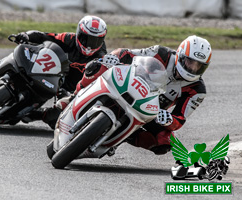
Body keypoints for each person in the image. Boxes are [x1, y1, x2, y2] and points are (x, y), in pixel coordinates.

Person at [58, 35, 212, 155]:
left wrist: (169, 119)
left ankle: (126, 136)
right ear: (180, 55)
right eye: (190, 62)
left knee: (165, 143)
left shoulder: (197, 90)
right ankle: (75, 96)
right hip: (129, 87)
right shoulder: (162, 53)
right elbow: (127, 53)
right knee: (101, 66)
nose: (192, 69)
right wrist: (113, 58)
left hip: (149, 112)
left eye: (198, 66)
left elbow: (180, 119)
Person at [10, 15, 111, 128]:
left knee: (57, 120)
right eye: (85, 38)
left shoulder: (101, 58)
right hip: (54, 73)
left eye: (95, 41)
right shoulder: (69, 39)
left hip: (73, 89)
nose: (89, 45)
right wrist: (26, 35)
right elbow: (45, 36)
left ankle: (37, 114)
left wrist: (73, 96)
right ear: (78, 34)